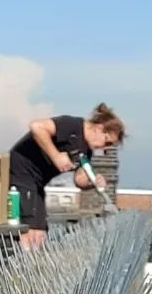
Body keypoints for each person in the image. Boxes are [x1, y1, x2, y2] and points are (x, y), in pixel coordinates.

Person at [8, 103, 125, 249]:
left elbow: (79, 179)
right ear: (100, 128)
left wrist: (92, 181)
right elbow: (37, 127)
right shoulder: (72, 126)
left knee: (41, 227)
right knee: (32, 227)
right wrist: (55, 156)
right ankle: (20, 260)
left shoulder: (86, 151)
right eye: (107, 142)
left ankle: (29, 259)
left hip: (37, 184)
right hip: (23, 172)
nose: (105, 148)